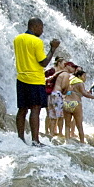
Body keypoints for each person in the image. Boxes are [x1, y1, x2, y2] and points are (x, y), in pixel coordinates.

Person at [13, 17, 60, 146]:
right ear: (35, 27)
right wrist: (53, 48)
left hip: (21, 78)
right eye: (41, 27)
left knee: (22, 109)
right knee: (35, 109)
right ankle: (35, 141)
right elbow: (44, 63)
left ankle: (20, 139)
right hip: (35, 79)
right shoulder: (36, 41)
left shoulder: (17, 39)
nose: (42, 30)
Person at [64, 68, 94, 144]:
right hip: (76, 103)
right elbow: (84, 94)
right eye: (84, 76)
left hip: (66, 103)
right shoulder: (80, 83)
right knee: (79, 125)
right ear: (79, 76)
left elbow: (72, 92)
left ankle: (66, 141)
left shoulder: (70, 82)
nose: (85, 78)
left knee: (67, 125)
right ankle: (82, 143)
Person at [44, 57, 67, 137]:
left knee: (55, 114)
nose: (65, 65)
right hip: (49, 93)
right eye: (64, 63)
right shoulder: (51, 70)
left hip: (55, 94)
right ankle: (47, 131)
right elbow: (44, 78)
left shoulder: (61, 72)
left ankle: (53, 131)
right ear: (59, 63)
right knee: (50, 113)